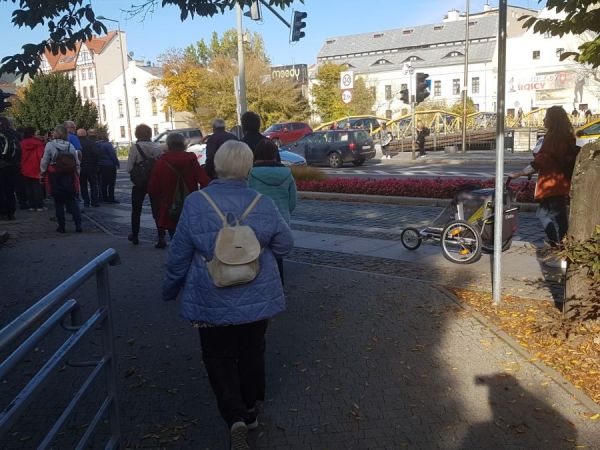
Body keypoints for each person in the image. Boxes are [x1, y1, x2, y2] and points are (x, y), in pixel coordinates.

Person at [162, 140, 294, 450]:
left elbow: (178, 254)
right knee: (252, 350)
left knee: (217, 356)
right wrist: (259, 253)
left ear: (215, 164)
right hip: (257, 296)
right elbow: (286, 245)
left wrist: (170, 288)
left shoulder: (196, 203)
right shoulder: (262, 203)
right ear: (247, 167)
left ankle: (233, 416)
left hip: (210, 297)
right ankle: (250, 411)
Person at [508, 106, 578, 268]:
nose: (544, 120)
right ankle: (561, 250)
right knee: (556, 218)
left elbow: (540, 160)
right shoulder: (567, 136)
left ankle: (561, 251)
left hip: (551, 185)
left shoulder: (552, 137)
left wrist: (520, 174)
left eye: (546, 117)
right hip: (561, 183)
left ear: (552, 119)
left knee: (549, 216)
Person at [147, 133, 209, 247]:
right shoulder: (191, 160)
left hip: (170, 207)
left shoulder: (161, 162)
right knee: (191, 240)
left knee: (175, 240)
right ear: (183, 144)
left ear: (169, 145)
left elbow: (153, 188)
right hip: (191, 206)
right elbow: (205, 181)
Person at [248, 139, 297, 283]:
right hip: (281, 222)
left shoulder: (251, 174)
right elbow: (292, 202)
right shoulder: (287, 174)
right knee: (277, 259)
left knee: (255, 257)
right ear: (275, 154)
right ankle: (278, 289)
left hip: (256, 224)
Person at [126, 124, 165, 246]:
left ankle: (135, 235)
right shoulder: (158, 147)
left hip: (139, 183)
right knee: (157, 210)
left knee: (136, 210)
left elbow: (129, 167)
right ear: (149, 134)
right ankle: (161, 237)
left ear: (137, 134)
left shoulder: (135, 147)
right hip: (155, 181)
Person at [40, 125, 82, 233]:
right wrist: (77, 173)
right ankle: (78, 225)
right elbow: (76, 161)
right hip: (68, 175)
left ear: (56, 133)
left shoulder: (50, 145)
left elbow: (45, 160)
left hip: (55, 175)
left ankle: (61, 226)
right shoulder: (70, 145)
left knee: (58, 202)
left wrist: (42, 172)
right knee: (72, 200)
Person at [0, 117, 21, 220]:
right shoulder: (13, 134)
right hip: (13, 165)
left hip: (2, 165)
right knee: (10, 190)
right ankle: (11, 212)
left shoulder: (1, 135)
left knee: (2, 190)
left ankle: (3, 212)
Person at [20, 127, 46, 211]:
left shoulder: (22, 143)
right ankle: (39, 205)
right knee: (37, 187)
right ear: (33, 133)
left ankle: (31, 205)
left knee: (28, 187)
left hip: (25, 167)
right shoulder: (38, 143)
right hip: (36, 167)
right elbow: (42, 156)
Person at [77, 128, 101, 208]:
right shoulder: (91, 142)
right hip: (92, 167)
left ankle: (86, 202)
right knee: (93, 185)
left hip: (81, 168)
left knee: (83, 186)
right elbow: (97, 153)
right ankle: (95, 202)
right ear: (86, 134)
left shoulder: (76, 143)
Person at [95, 130, 120, 203]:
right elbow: (112, 155)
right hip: (109, 165)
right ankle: (111, 198)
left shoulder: (96, 144)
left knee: (103, 183)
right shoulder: (108, 144)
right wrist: (117, 163)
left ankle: (104, 197)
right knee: (111, 183)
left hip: (100, 165)